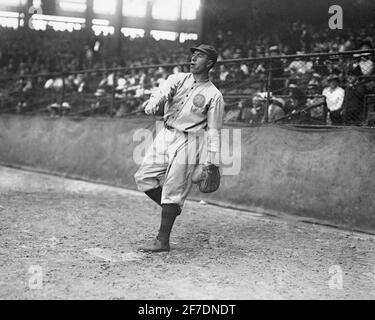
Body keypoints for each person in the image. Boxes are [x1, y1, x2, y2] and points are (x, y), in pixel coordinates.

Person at [134, 44, 224, 253]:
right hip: (165, 133)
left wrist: (211, 162)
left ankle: (162, 239)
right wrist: (156, 102)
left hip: (190, 140)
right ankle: (172, 209)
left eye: (199, 56)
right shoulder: (176, 79)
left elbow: (214, 131)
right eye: (193, 55)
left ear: (209, 63)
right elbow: (158, 96)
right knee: (144, 177)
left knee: (173, 190)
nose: (193, 59)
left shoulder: (214, 95)